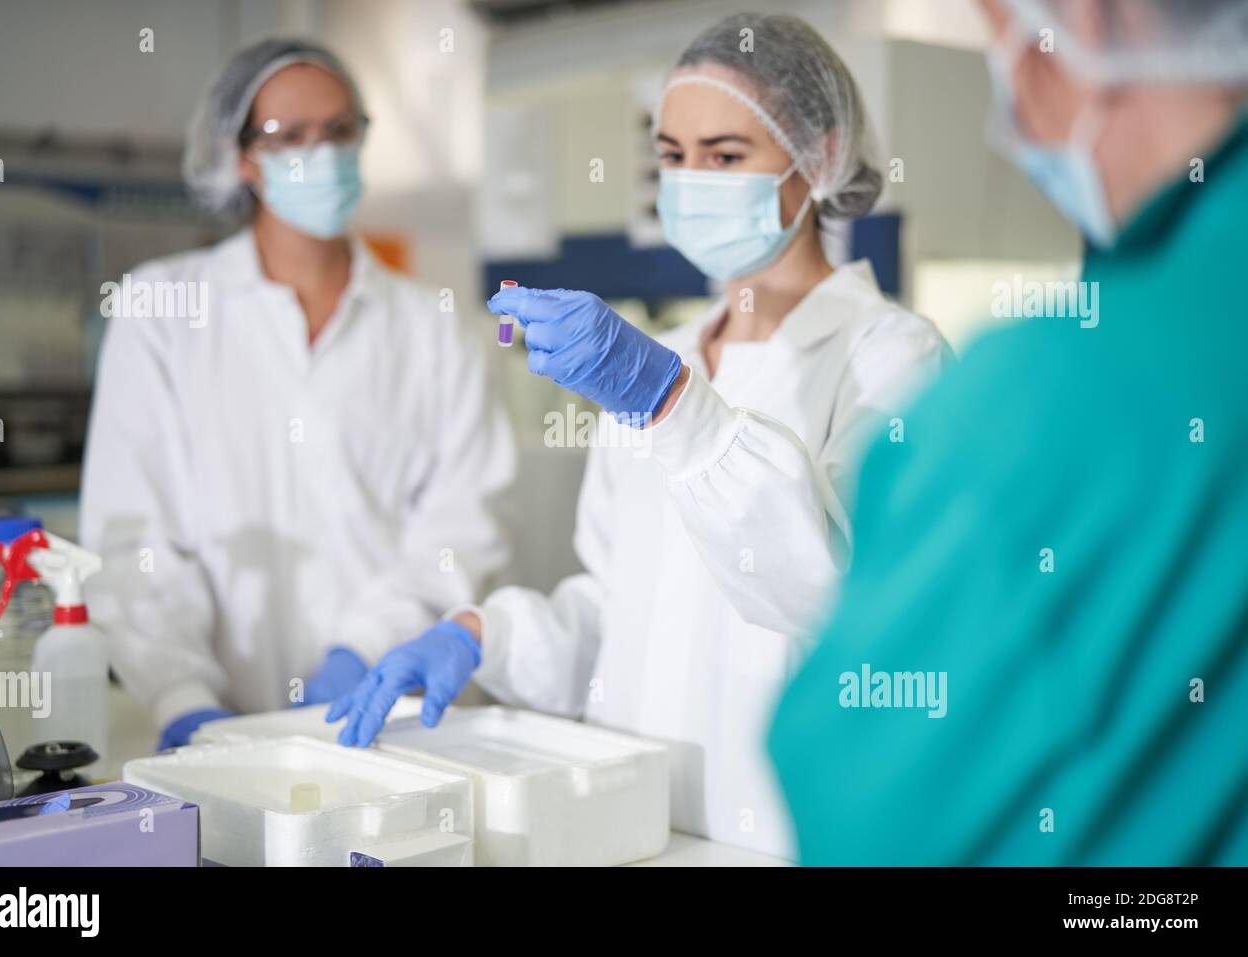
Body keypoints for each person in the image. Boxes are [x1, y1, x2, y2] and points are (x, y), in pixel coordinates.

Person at [330, 14, 951, 857]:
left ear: (820, 154)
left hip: (784, 836)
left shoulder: (890, 356)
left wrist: (670, 405)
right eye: (670, 154)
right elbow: (617, 603)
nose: (691, 181)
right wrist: (483, 635)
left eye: (726, 156)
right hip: (634, 829)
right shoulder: (668, 358)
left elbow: (838, 593)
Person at [769, 0, 1248, 865]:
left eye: (1004, 35)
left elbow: (870, 806)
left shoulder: (1037, 399)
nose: (1010, 98)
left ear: (1100, 22)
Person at [80, 40, 514, 750]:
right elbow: (134, 535)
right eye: (290, 136)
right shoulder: (163, 308)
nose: (324, 152)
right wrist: (183, 698)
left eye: (340, 130)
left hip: (391, 717)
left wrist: (366, 647)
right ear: (241, 155)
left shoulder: (434, 325)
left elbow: (464, 523)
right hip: (215, 730)